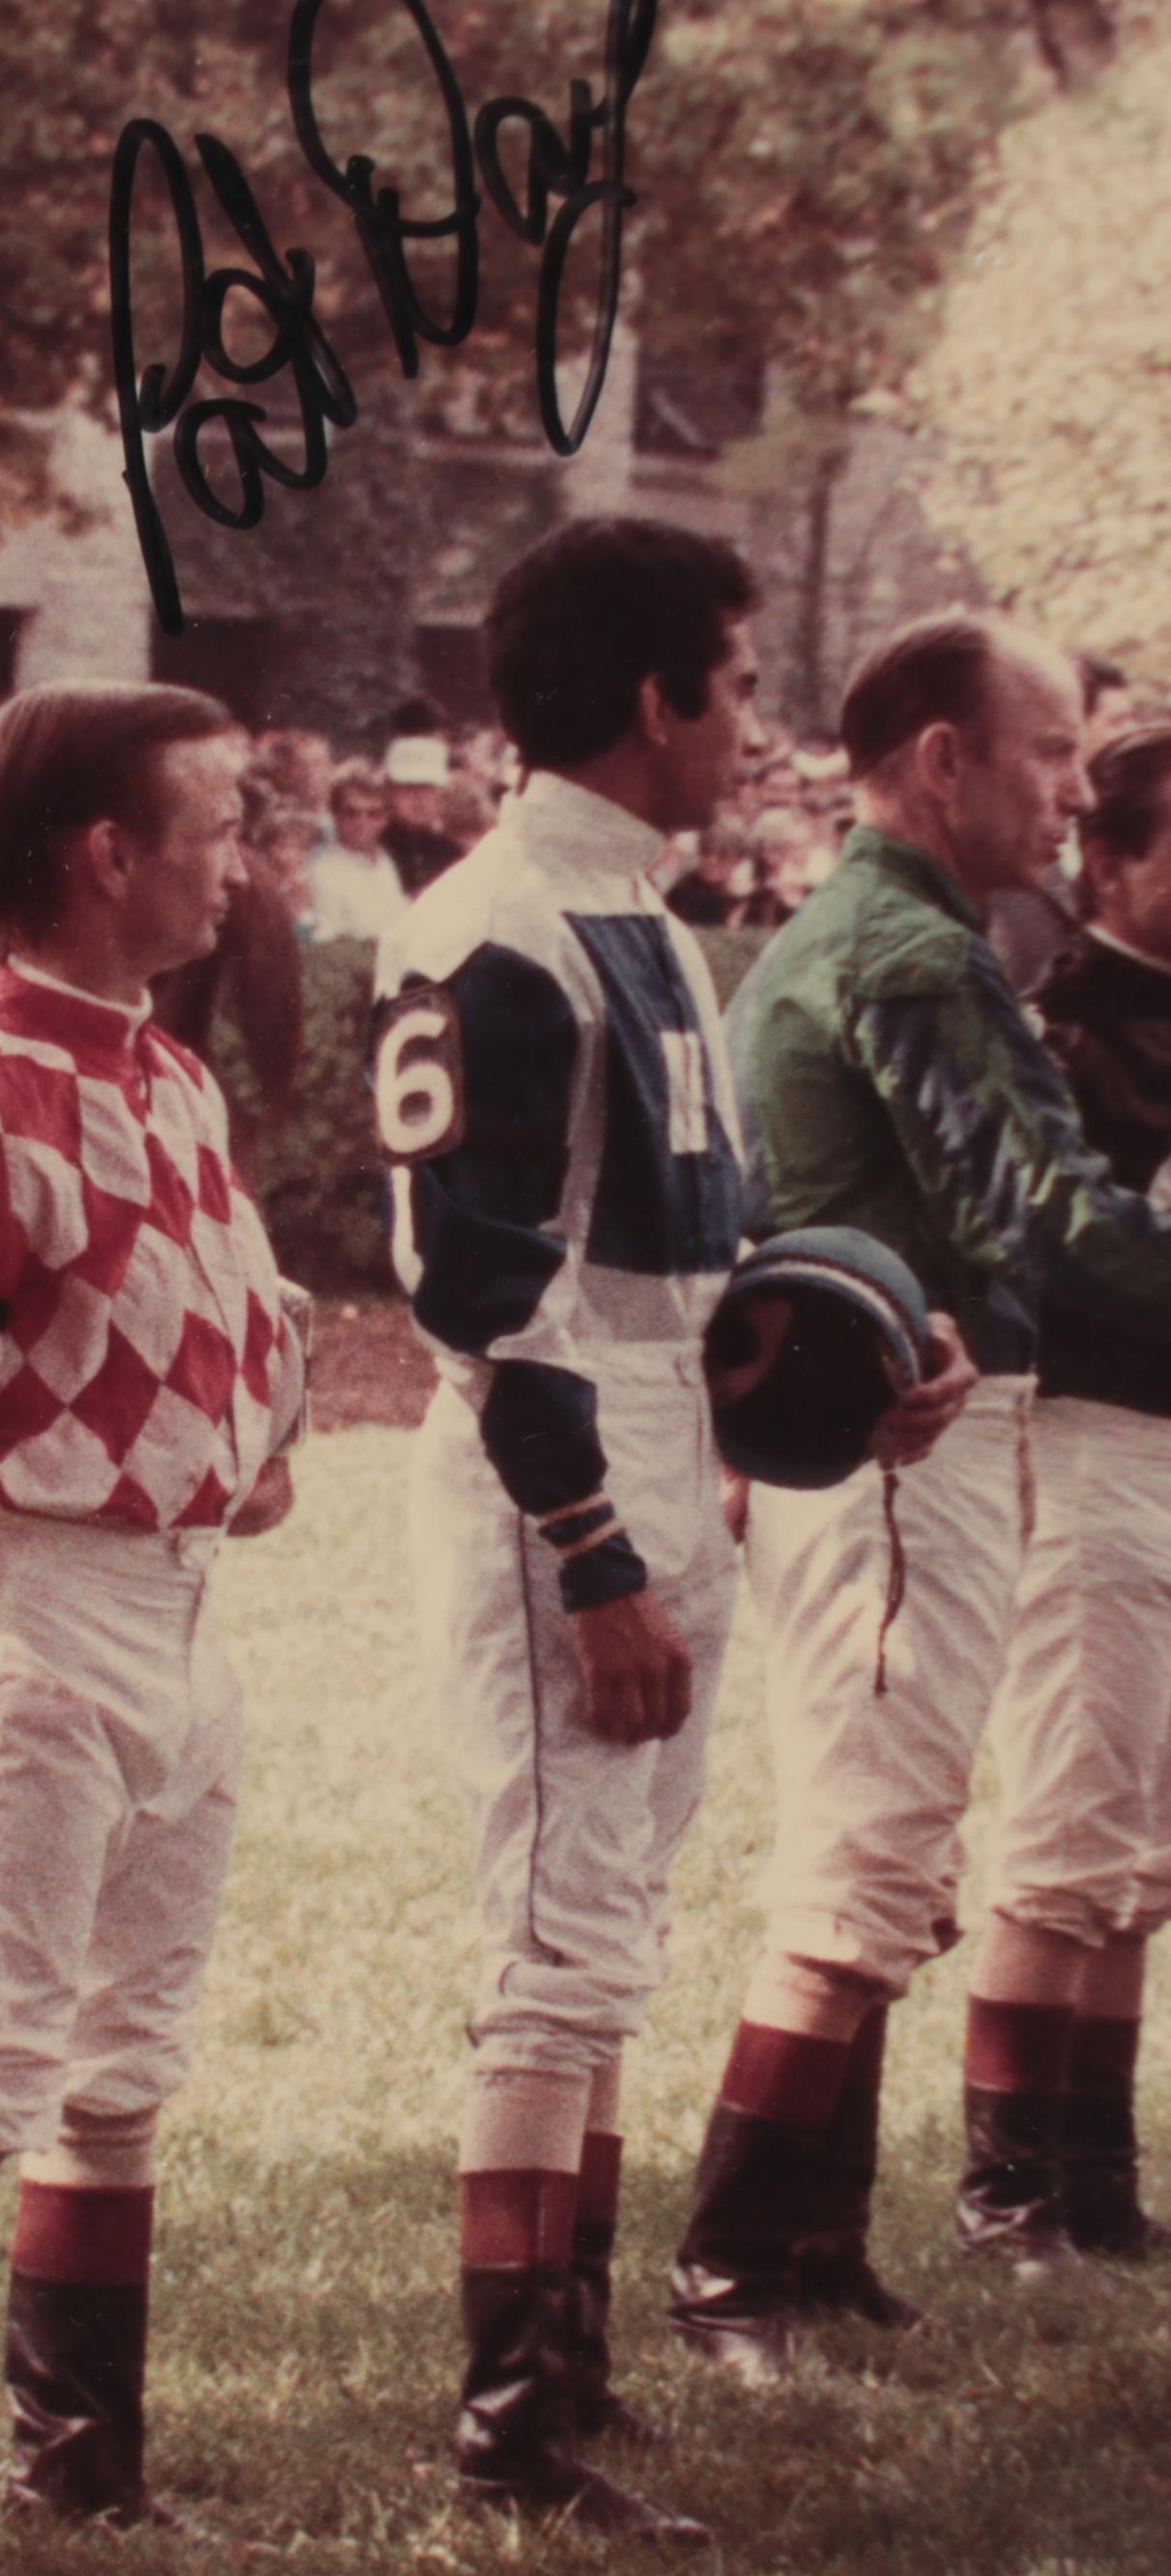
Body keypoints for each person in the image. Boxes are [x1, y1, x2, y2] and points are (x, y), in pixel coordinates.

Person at [373, 519, 896, 2540]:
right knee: (553, 1941)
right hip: (555, 1478)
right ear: (657, 697)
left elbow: (693, 1251)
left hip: (672, 1454)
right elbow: (469, 1277)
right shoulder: (494, 920)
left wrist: (861, 1361)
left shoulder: (647, 916)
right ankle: (509, 2427)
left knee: (618, 1939)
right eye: (741, 684)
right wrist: (590, 1549)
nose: (753, 725)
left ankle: (569, 2363)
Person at [0, 684, 307, 2568]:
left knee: (121, 2070)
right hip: (33, 1614)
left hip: (178, 1606)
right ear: (109, 853)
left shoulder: (165, 1070)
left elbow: (216, 1318)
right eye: (217, 823)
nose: (241, 858)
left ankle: (81, 2458)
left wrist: (247, 1443)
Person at [667, 611, 1171, 2376]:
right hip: (900, 1441)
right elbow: (1040, 1216)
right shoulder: (904, 948)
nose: (1063, 791)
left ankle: (809, 2242)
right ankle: (731, 2267)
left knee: (882, 1841)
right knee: (869, 1852)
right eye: (1045, 753)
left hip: (898, 1430)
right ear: (939, 758)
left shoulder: (890, 931)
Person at [993, 719, 1171, 2264]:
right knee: (1073, 1806)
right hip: (1097, 1434)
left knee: (1147, 1840)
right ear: (1106, 860)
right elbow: (1058, 1268)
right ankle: (1007, 2185)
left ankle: (1099, 2182)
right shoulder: (1065, 1040)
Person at [301, 758, 407, 944]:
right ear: (334, 814)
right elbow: (329, 944)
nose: (362, 823)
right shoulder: (323, 872)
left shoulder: (385, 861)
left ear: (386, 818)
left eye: (373, 814)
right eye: (352, 813)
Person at [379, 725, 469, 896]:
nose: (419, 798)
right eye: (408, 787)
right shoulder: (374, 847)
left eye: (428, 788)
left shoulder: (450, 852)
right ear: (389, 790)